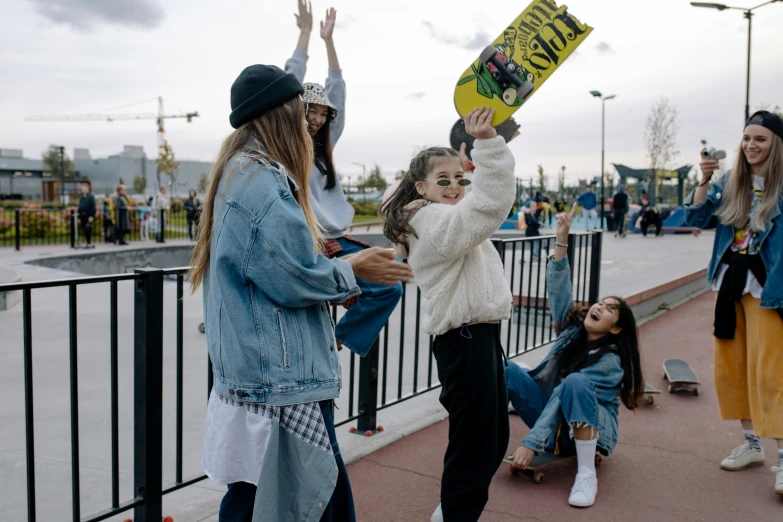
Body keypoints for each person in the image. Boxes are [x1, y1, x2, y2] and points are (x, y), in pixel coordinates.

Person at [190, 62, 412, 522]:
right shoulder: (262, 181)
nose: (308, 121)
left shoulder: (240, 170)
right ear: (282, 113)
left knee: (260, 493)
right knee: (309, 495)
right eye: (300, 110)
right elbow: (295, 276)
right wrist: (353, 266)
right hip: (281, 377)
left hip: (263, 371)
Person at [382, 107, 513, 522]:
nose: (455, 187)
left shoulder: (441, 217)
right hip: (466, 339)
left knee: (490, 442)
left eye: (460, 178)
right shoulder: (429, 220)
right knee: (474, 448)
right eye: (444, 180)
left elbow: (477, 206)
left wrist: (478, 158)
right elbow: (486, 208)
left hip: (480, 338)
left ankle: (453, 510)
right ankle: (457, 512)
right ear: (420, 187)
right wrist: (489, 144)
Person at [506, 204, 644, 508]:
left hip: (587, 429)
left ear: (617, 329)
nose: (599, 307)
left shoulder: (610, 362)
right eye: (601, 303)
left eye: (609, 309)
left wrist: (531, 441)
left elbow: (561, 394)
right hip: (554, 421)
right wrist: (562, 238)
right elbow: (559, 289)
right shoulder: (572, 331)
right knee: (506, 370)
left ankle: (585, 474)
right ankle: (482, 436)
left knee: (575, 383)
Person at [285, 1, 402, 357]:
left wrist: (329, 41)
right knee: (380, 287)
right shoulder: (287, 146)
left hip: (336, 239)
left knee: (389, 283)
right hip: (311, 241)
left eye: (323, 114)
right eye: (312, 111)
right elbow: (288, 82)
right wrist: (304, 35)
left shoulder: (326, 149)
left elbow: (338, 90)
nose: (318, 120)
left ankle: (333, 339)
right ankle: (323, 334)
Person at [684, 110, 783, 496]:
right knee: (732, 367)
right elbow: (700, 216)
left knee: (770, 371)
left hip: (769, 288)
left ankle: (782, 459)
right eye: (746, 138)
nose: (751, 145)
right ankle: (753, 445)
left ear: (776, 144)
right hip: (729, 283)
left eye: (760, 139)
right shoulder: (731, 180)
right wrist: (706, 180)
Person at [77, 180, 96, 248]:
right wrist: (79, 217)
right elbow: (80, 207)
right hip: (83, 216)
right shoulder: (82, 198)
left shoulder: (91, 197)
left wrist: (92, 215)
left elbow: (93, 207)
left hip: (88, 216)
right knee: (84, 229)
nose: (82, 188)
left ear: (87, 187)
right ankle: (87, 242)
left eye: (83, 186)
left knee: (87, 228)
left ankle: (89, 242)